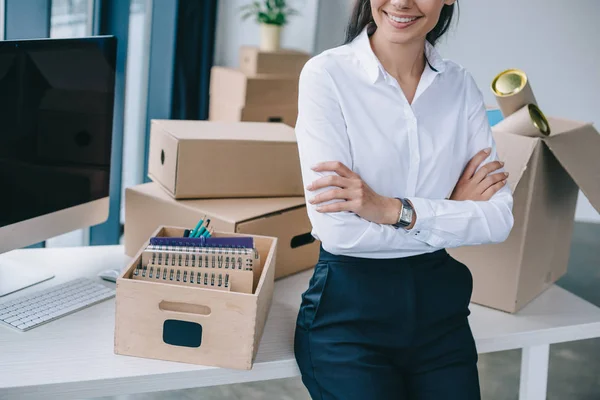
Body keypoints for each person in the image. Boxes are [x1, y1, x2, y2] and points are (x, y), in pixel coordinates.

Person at [293, 0, 514, 399]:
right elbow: (339, 232)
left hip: (440, 316)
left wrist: (389, 209)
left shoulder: (459, 85)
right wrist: (450, 209)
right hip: (349, 318)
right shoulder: (327, 76)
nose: (401, 2)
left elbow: (498, 219)